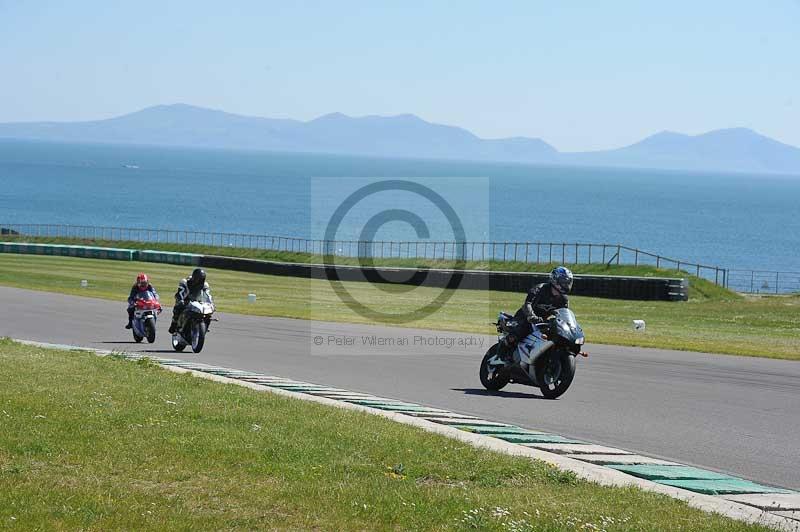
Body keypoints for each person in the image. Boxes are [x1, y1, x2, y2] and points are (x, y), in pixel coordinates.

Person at [501, 266, 574, 358]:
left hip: (542, 321)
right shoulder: (539, 289)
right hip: (525, 317)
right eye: (564, 281)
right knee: (517, 334)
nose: (566, 284)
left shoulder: (563, 299)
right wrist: (531, 316)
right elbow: (527, 304)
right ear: (555, 280)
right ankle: (501, 354)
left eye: (568, 282)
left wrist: (569, 326)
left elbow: (565, 314)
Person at [168, 268, 213, 334]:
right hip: (186, 300)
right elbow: (180, 292)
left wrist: (211, 303)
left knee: (208, 313)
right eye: (198, 279)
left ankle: (204, 328)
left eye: (201, 279)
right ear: (194, 277)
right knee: (178, 307)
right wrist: (181, 300)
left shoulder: (205, 285)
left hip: (199, 302)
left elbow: (208, 295)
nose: (199, 281)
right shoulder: (185, 282)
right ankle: (174, 323)